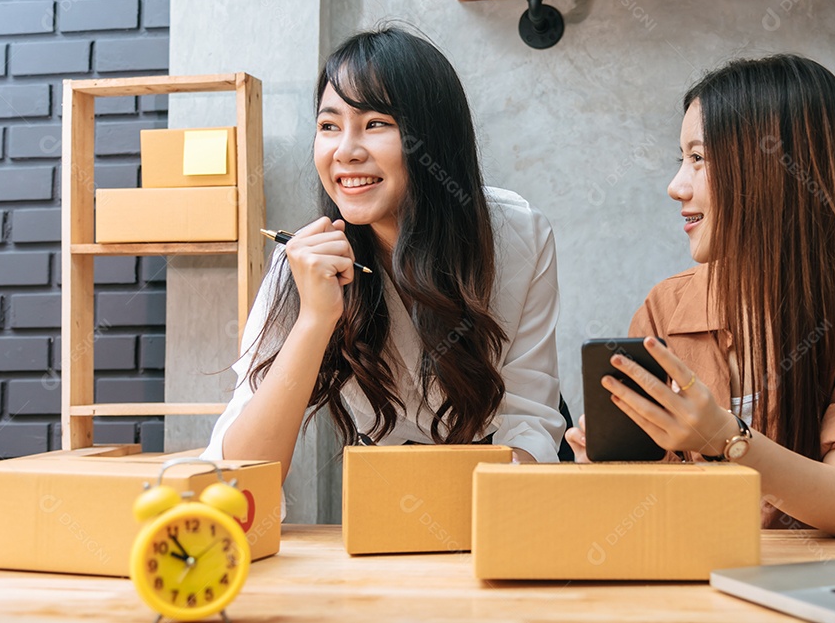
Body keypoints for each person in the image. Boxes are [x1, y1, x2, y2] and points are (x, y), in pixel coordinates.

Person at [567, 55, 835, 536]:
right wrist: (608, 477)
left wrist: (723, 436)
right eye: (681, 159)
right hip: (716, 569)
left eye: (698, 158)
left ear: (770, 168)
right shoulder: (663, 310)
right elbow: (658, 518)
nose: (675, 187)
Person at [202, 26, 567, 483]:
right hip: (390, 481)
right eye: (329, 126)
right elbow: (238, 473)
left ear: (432, 137)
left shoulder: (518, 234)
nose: (345, 151)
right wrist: (315, 318)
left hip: (504, 473)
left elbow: (530, 419)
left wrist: (488, 500)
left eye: (375, 124)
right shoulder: (302, 264)